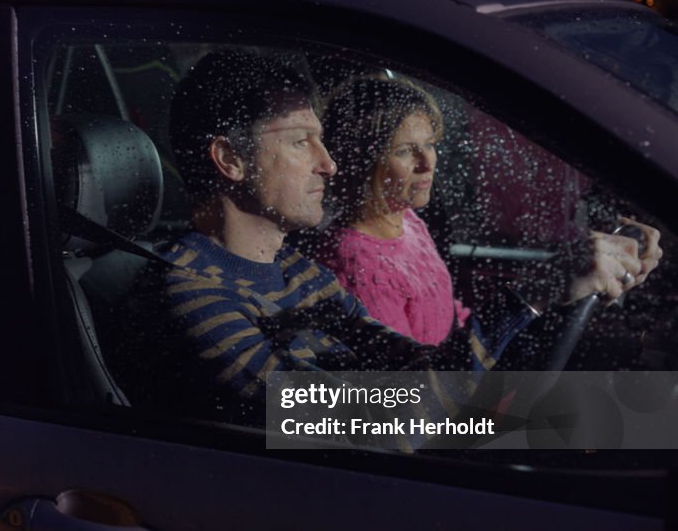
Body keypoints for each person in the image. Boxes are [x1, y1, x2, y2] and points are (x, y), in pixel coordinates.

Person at [117, 51, 659, 427]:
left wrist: (572, 287)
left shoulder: (295, 272)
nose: (328, 165)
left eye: (322, 142)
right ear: (230, 159)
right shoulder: (192, 297)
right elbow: (381, 421)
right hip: (329, 527)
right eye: (302, 143)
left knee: (648, 413)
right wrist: (532, 297)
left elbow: (416, 368)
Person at [313, 74, 661, 345]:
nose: (427, 163)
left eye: (430, 145)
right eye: (405, 151)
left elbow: (451, 319)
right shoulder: (355, 264)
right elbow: (413, 393)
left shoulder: (407, 220)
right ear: (362, 160)